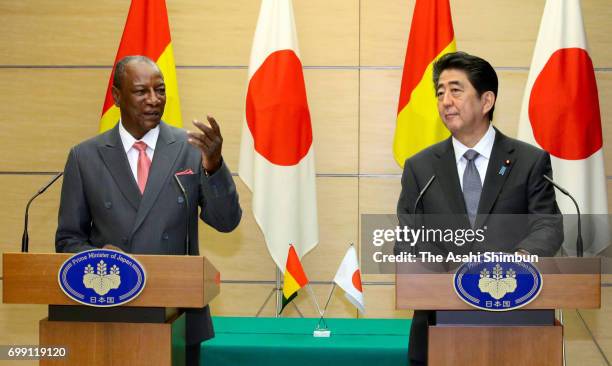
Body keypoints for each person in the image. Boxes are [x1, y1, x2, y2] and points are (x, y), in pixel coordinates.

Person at [55, 55, 242, 365]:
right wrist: (99, 258)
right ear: (116, 96)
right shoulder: (85, 157)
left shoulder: (192, 147)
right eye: (141, 91)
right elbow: (67, 240)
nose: (154, 100)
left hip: (178, 316)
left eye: (161, 90)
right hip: (108, 310)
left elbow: (226, 222)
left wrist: (215, 166)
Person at [395, 51, 563, 365]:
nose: (445, 101)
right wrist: (444, 270)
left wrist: (520, 261)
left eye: (456, 91)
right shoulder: (420, 167)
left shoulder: (529, 161)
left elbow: (547, 224)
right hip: (437, 325)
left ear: (486, 101)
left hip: (519, 322)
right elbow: (408, 237)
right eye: (440, 92)